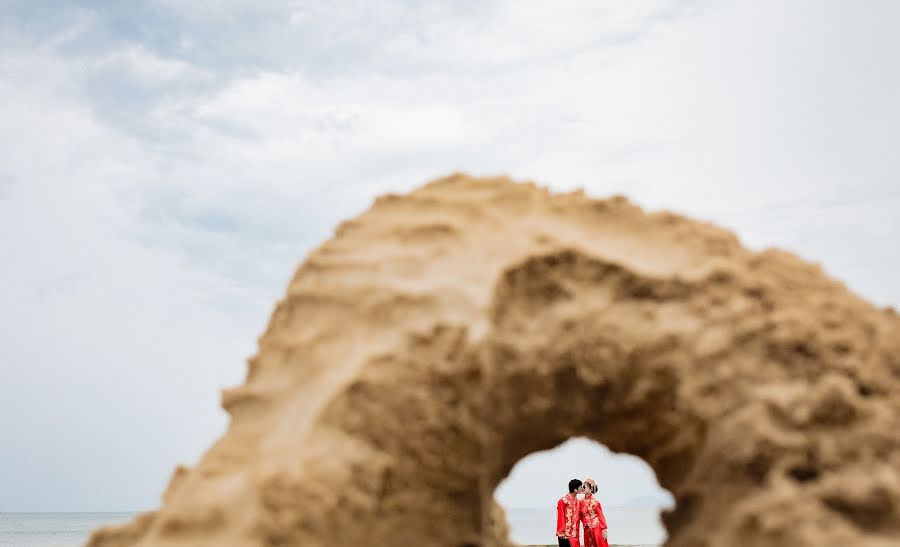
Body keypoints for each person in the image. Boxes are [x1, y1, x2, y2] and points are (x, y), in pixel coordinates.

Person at [580, 478, 609, 547]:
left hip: (596, 527)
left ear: (590, 489)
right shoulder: (580, 501)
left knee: (599, 544)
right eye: (582, 487)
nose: (583, 488)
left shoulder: (595, 502)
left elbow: (600, 515)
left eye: (584, 487)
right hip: (587, 528)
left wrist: (604, 529)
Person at [556, 479, 583, 547]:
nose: (582, 488)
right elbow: (560, 517)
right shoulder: (563, 501)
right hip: (565, 535)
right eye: (580, 487)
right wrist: (562, 533)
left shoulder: (578, 501)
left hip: (575, 535)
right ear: (575, 490)